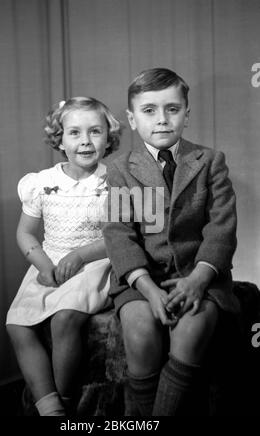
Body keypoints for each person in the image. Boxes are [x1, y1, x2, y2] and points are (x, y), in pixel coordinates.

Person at [102, 68, 239, 416]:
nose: (162, 119)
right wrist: (147, 288)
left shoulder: (209, 162)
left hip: (200, 275)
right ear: (132, 119)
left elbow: (221, 227)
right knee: (139, 330)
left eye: (172, 109)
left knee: (191, 328)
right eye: (149, 110)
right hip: (142, 278)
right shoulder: (120, 168)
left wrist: (199, 279)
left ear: (187, 114)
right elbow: (119, 232)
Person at [6, 97, 121, 416]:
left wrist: (82, 255)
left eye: (95, 131)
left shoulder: (114, 181)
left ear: (108, 137)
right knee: (17, 324)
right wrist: (43, 265)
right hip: (50, 260)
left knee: (65, 316)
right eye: (74, 132)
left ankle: (67, 399)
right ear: (59, 138)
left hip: (95, 260)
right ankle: (49, 405)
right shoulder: (42, 183)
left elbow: (121, 235)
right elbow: (25, 233)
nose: (85, 141)